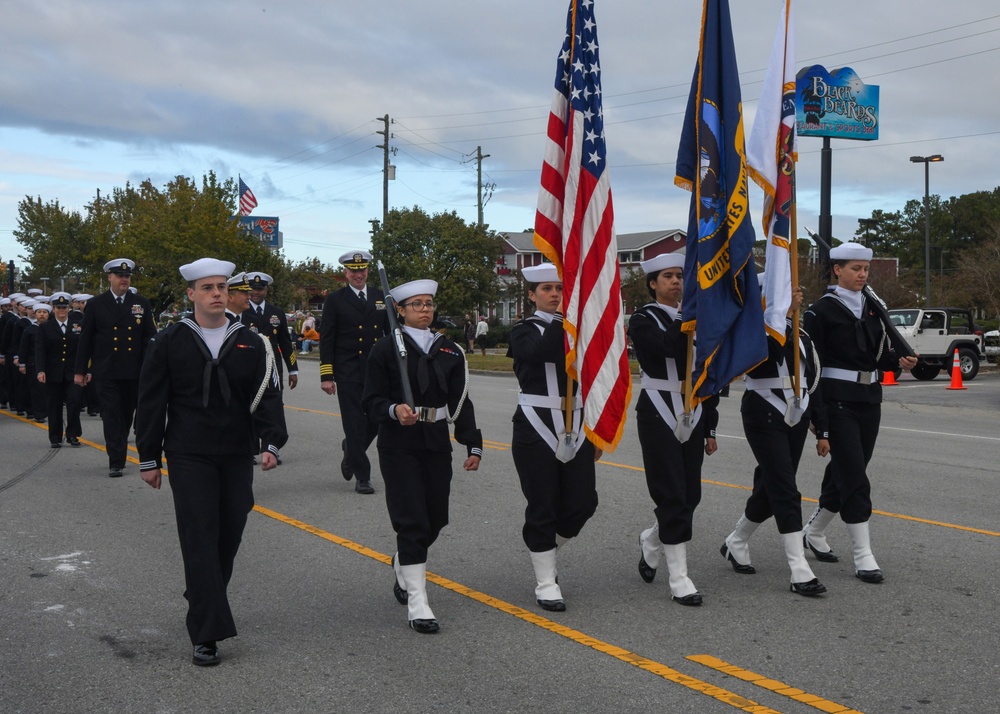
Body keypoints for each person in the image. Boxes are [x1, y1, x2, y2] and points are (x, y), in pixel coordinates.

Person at [136, 258, 287, 667]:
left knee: (229, 533)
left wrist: (272, 442)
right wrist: (148, 457)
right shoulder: (169, 340)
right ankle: (206, 632)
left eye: (222, 286)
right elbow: (152, 402)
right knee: (200, 534)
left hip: (237, 451)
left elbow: (267, 397)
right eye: (207, 287)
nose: (217, 293)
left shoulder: (252, 342)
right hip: (187, 453)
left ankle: (203, 592)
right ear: (191, 294)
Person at [362, 278, 482, 634]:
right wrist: (392, 409)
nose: (425, 310)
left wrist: (472, 442)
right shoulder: (385, 349)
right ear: (399, 310)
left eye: (428, 303)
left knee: (435, 518)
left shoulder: (449, 351)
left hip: (435, 440)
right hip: (399, 442)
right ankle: (418, 602)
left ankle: (404, 558)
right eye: (416, 304)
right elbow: (369, 401)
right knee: (412, 519)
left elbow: (460, 400)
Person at [801, 242, 917, 584]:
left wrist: (898, 361)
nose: (862, 275)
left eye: (865, 270)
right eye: (855, 269)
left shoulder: (872, 307)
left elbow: (879, 355)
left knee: (849, 468)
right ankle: (863, 555)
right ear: (838, 270)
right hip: (837, 400)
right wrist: (817, 416)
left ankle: (814, 530)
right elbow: (814, 367)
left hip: (869, 397)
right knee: (854, 475)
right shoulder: (820, 311)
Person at [719, 285, 830, 596]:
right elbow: (767, 359)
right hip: (764, 411)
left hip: (798, 413)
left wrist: (823, 429)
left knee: (771, 486)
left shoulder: (801, 333)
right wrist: (779, 315)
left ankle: (736, 541)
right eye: (784, 292)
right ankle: (799, 569)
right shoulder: (750, 327)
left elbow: (814, 379)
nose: (794, 296)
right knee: (784, 487)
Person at [629, 253, 719, 607]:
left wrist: (710, 425)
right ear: (653, 283)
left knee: (690, 495)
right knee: (672, 494)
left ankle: (652, 540)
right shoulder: (642, 319)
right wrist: (686, 316)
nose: (676, 282)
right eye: (667, 276)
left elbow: (708, 375)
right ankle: (679, 577)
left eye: (680, 276)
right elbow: (665, 350)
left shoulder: (699, 319)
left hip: (693, 409)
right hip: (658, 410)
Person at [508, 264, 599, 613]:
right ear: (531, 295)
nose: (555, 295)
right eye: (546, 288)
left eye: (560, 289)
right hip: (535, 425)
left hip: (576, 422)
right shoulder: (523, 330)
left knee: (583, 503)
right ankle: (546, 581)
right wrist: (567, 319)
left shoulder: (573, 328)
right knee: (543, 504)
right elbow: (541, 353)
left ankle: (544, 547)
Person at [74, 259, 157, 477]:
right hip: (106, 370)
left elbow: (150, 337)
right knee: (111, 414)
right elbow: (86, 339)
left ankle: (119, 447)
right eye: (120, 276)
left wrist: (153, 365)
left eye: (127, 276)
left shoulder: (141, 303)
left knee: (126, 415)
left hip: (133, 370)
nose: (124, 279)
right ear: (109, 277)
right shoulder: (96, 304)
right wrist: (80, 370)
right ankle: (116, 460)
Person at [319, 250, 389, 494]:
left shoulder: (381, 297)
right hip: (347, 369)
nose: (358, 274)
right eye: (353, 271)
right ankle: (363, 476)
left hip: (375, 370)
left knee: (378, 419)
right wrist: (327, 375)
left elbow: (391, 334)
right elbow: (327, 339)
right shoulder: (335, 300)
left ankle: (350, 450)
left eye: (362, 270)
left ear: (368, 271)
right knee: (353, 421)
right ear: (345, 273)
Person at [35, 293, 84, 447]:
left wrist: (85, 370)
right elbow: (40, 350)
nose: (61, 310)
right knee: (54, 405)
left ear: (69, 308)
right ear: (53, 309)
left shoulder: (77, 325)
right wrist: (40, 370)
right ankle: (55, 437)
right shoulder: (45, 327)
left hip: (73, 372)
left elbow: (83, 349)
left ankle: (73, 434)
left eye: (64, 307)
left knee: (75, 402)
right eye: (58, 308)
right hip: (52, 372)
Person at [241, 272, 298, 391]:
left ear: (266, 290)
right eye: (253, 288)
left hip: (273, 365)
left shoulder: (277, 312)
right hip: (248, 365)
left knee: (275, 402)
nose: (256, 292)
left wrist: (293, 370)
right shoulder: (240, 311)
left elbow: (285, 343)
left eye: (260, 289)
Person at [19, 302, 49, 422]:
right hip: (33, 364)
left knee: (48, 390)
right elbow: (23, 347)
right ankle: (38, 413)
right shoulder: (29, 330)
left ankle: (48, 411)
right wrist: (22, 363)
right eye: (39, 312)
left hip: (50, 364)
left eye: (44, 312)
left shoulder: (53, 328)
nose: (42, 314)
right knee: (36, 390)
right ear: (35, 314)